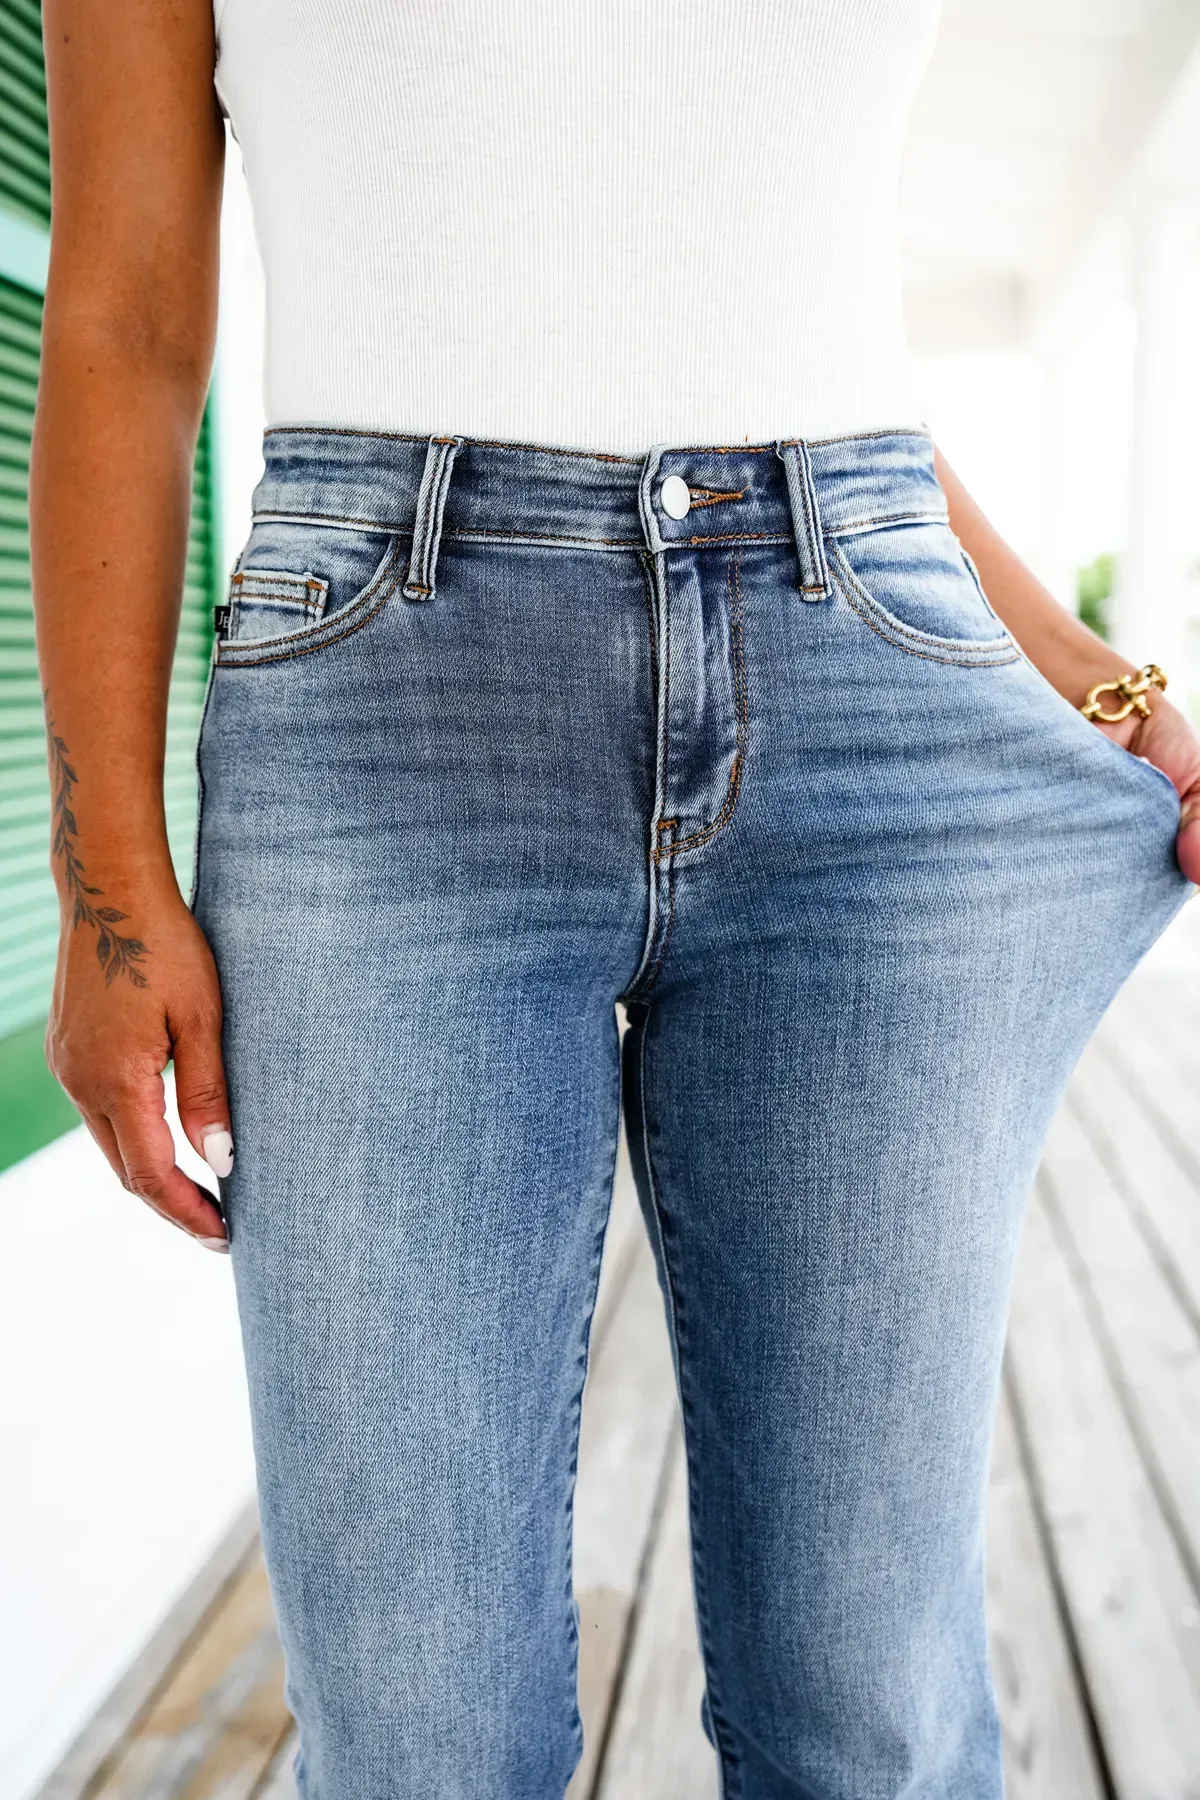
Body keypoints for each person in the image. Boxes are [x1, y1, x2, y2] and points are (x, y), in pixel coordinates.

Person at [32, 1, 1199, 1796]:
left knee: (869, 1716)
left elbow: (792, 333)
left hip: (869, 684)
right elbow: (122, 317)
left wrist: (1101, 683)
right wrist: (105, 880)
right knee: (416, 1740)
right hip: (390, 723)